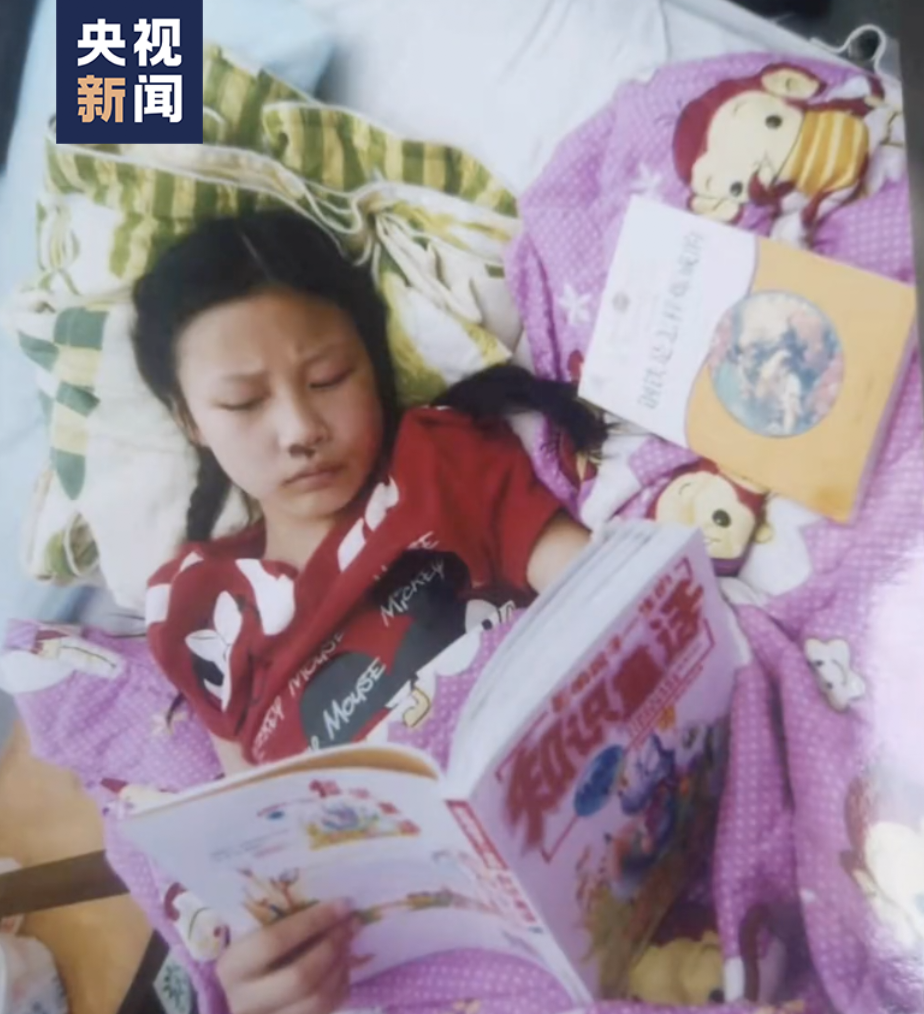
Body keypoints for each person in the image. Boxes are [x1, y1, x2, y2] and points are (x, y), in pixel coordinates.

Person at [131, 210, 604, 1014]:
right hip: (402, 955)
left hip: (577, 827)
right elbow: (262, 835)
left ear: (370, 359)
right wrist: (267, 973)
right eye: (243, 403)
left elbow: (609, 597)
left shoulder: (439, 461)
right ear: (189, 420)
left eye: (328, 379)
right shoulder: (196, 611)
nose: (300, 430)